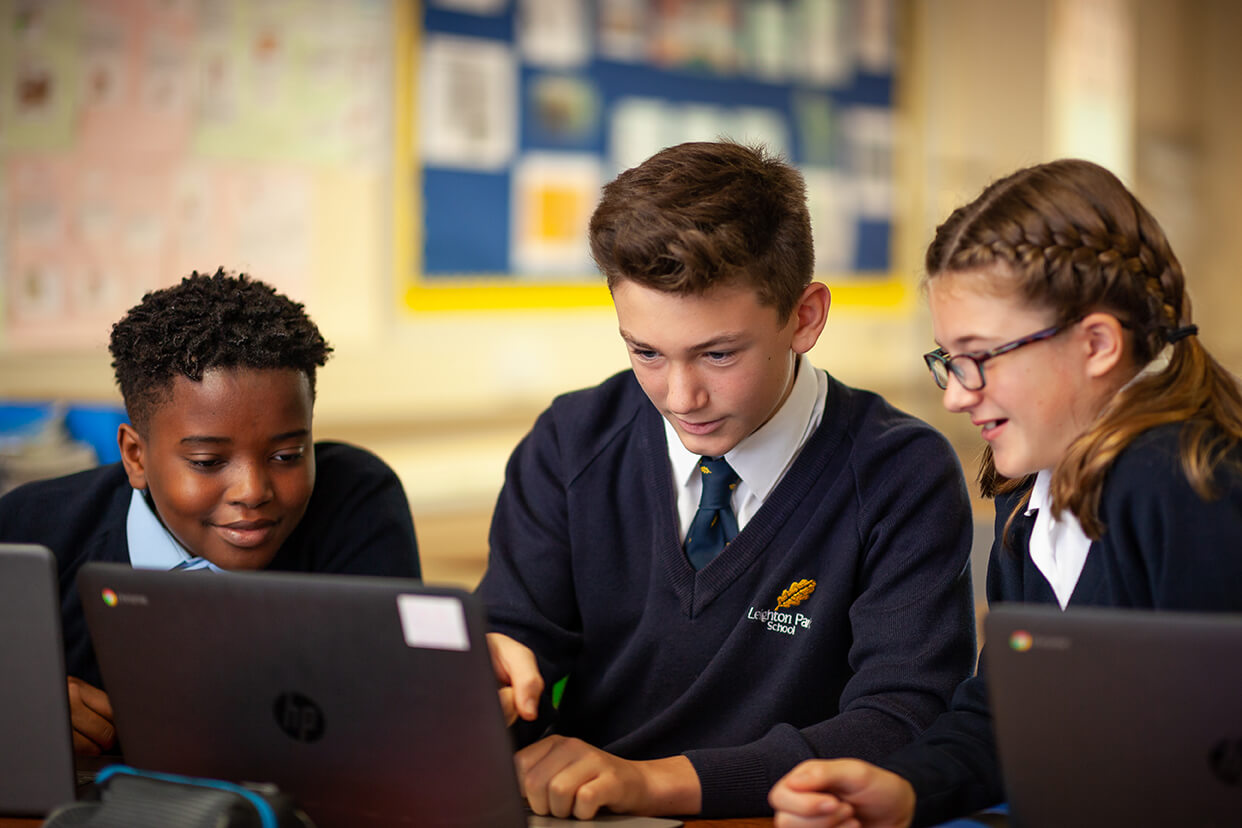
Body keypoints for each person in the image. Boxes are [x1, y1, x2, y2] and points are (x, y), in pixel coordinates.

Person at [477, 141, 977, 820]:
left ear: (805, 317)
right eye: (645, 352)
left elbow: (902, 718)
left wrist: (652, 782)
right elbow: (513, 637)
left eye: (717, 354)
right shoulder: (571, 442)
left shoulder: (899, 472)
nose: (681, 397)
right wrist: (494, 678)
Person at [768, 158, 1242, 828]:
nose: (957, 393)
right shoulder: (1030, 499)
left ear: (1098, 343)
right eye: (948, 360)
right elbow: (1003, 721)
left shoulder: (1181, 483)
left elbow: (1209, 763)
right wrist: (900, 790)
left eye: (979, 356)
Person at [0, 269, 421, 756]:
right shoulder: (32, 532)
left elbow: (393, 712)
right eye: (207, 462)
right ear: (136, 457)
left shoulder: (354, 503)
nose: (252, 491)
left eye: (286, 456)